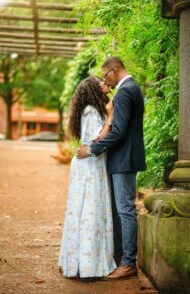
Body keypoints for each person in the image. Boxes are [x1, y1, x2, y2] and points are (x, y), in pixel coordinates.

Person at [77, 57, 146, 280]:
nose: (104, 79)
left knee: (125, 210)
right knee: (121, 210)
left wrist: (92, 149)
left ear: (114, 71)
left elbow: (118, 131)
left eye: (105, 74)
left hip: (124, 159)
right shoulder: (130, 88)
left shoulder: (126, 91)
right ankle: (120, 257)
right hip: (122, 158)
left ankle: (128, 263)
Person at [58, 76, 117, 278]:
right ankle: (88, 266)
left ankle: (77, 263)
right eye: (101, 82)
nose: (105, 83)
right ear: (94, 89)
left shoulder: (91, 110)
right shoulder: (92, 111)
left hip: (89, 163)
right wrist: (110, 116)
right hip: (89, 164)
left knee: (83, 210)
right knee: (90, 210)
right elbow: (98, 139)